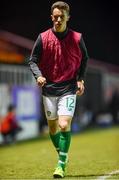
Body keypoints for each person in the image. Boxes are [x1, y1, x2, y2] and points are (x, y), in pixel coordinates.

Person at [28, 1, 89, 178]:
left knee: (64, 124)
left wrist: (80, 79)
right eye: (56, 16)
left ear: (68, 18)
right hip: (49, 89)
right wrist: (38, 75)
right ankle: (63, 155)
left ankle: (61, 165)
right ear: (51, 17)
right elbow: (32, 60)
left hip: (68, 88)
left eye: (62, 16)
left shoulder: (77, 38)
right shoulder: (43, 37)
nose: (59, 19)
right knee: (53, 129)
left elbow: (85, 58)